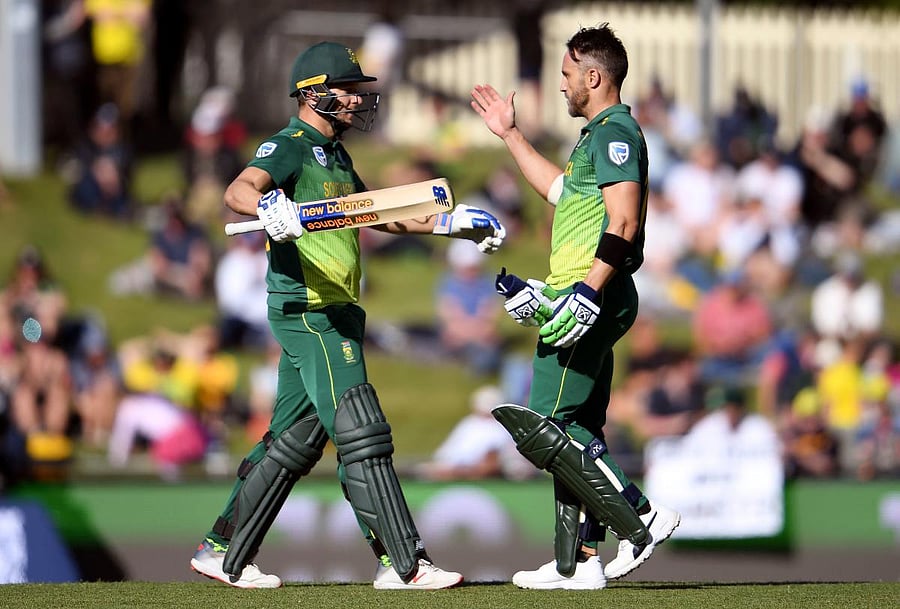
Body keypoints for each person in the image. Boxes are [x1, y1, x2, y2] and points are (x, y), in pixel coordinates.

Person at [189, 41, 506, 590]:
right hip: (309, 308)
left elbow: (373, 214)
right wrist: (268, 206)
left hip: (334, 308)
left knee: (296, 439)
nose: (359, 100)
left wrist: (448, 224)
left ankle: (223, 552)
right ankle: (403, 563)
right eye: (349, 90)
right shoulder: (289, 144)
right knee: (361, 428)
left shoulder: (336, 157)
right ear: (315, 94)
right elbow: (238, 189)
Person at [470, 23, 680, 590]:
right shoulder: (594, 137)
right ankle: (579, 560)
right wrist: (510, 135)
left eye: (566, 74)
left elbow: (625, 222)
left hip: (588, 295)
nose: (561, 85)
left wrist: (586, 293)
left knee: (550, 426)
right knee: (579, 427)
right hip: (581, 292)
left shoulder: (617, 134)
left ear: (593, 76)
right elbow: (560, 192)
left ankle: (641, 516)